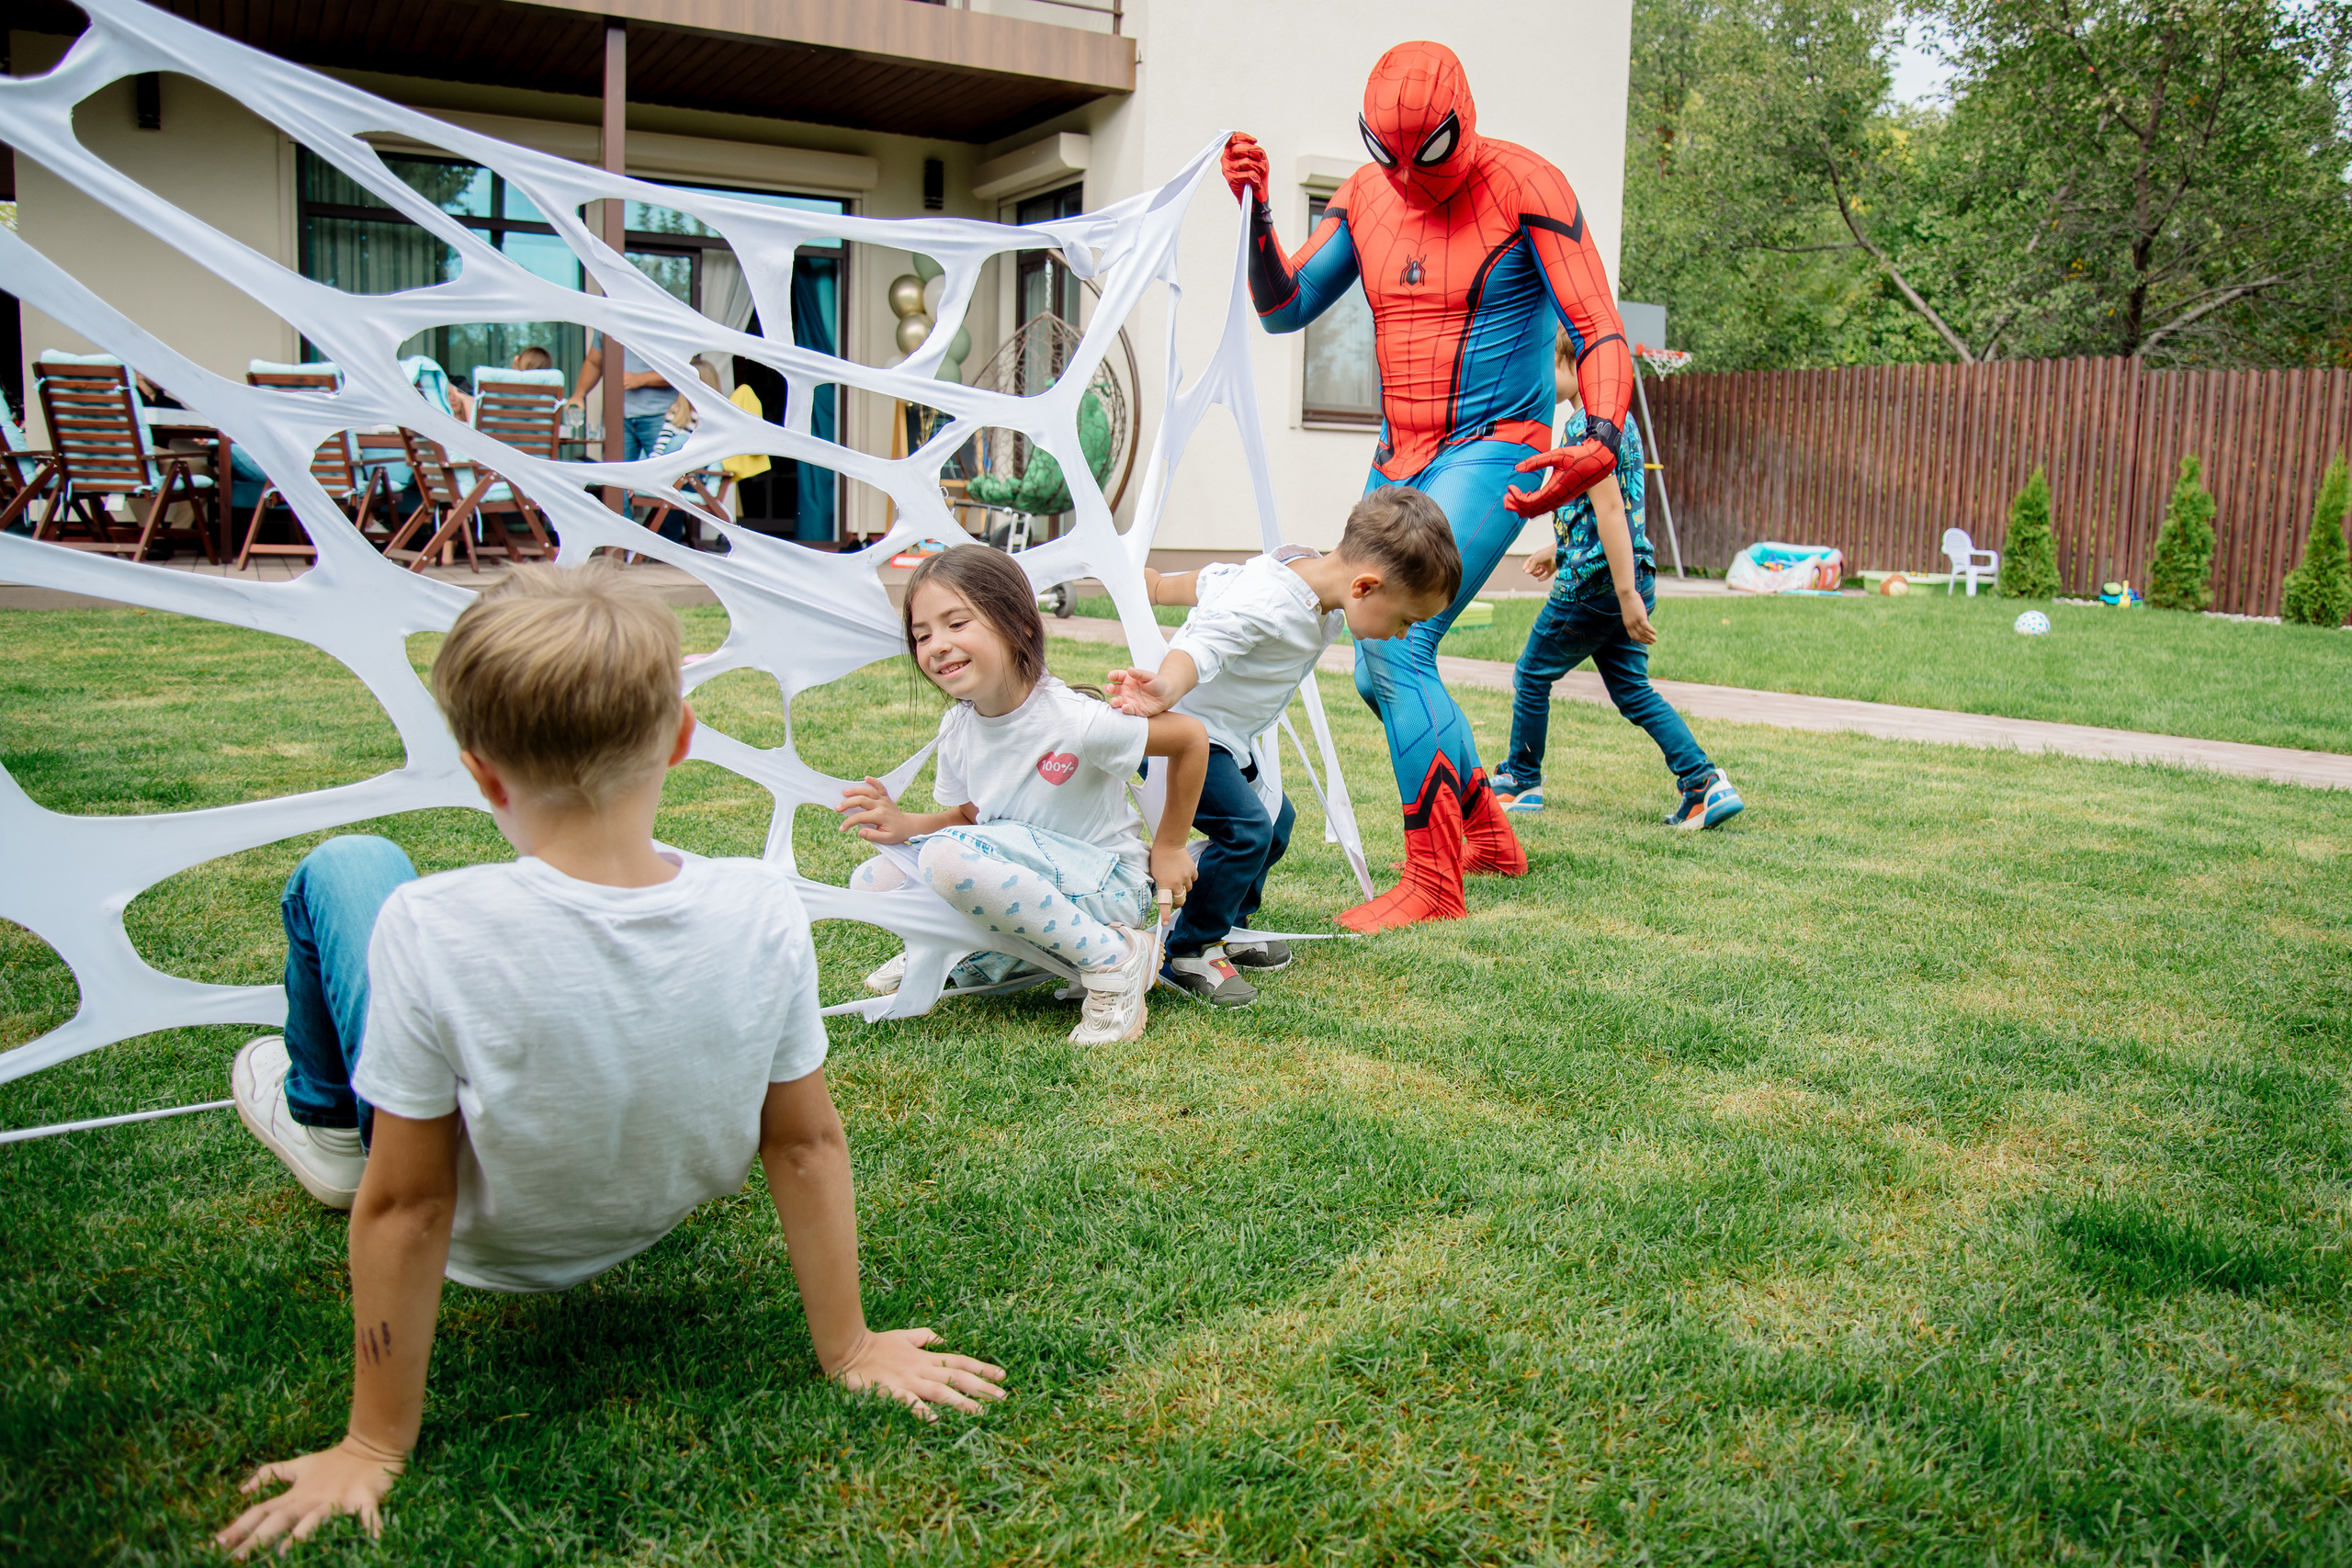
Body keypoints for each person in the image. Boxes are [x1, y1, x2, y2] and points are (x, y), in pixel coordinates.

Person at [215, 564, 1003, 1557]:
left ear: (480, 773)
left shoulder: (430, 923)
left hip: (483, 1237)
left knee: (349, 867)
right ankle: (331, 1118)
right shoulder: (760, 903)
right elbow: (804, 1143)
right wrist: (848, 1346)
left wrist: (374, 1444)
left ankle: (327, 1120)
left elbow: (411, 1206)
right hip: (648, 1212)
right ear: (678, 739)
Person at [1220, 41, 1636, 931]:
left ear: (1464, 123)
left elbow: (1598, 327)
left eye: (1429, 151)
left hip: (1497, 445)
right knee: (1377, 671)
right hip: (1399, 453)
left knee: (1395, 646)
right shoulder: (1366, 196)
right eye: (1388, 152)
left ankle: (1435, 880)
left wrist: (1599, 434)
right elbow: (1283, 304)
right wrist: (1255, 213)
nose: (1409, 175)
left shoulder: (1528, 187)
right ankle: (1486, 831)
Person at [1102, 488, 1460, 1005]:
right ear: (1365, 587)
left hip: (1229, 737)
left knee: (1278, 822)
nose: (1404, 635)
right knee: (1248, 830)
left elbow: (1215, 580)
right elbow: (1205, 640)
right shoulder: (1272, 603)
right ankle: (1190, 951)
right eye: (1406, 620)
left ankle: (1225, 925)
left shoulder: (1309, 576)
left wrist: (1160, 586)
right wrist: (1165, 687)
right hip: (1189, 736)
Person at [841, 547, 1210, 1045]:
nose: (937, 646)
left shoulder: (1075, 719)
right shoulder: (959, 726)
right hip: (1025, 875)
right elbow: (973, 816)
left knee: (948, 859)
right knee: (874, 879)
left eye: (956, 623)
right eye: (922, 635)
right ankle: (969, 950)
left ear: (1021, 625)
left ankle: (1114, 958)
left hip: (1107, 887)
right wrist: (905, 826)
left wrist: (1168, 846)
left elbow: (1190, 739)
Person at [1491, 341, 1742, 829]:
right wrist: (1560, 550)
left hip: (1596, 587)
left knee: (1531, 674)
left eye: (1541, 366)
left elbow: (1610, 513)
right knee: (1632, 690)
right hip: (1621, 576)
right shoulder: (1617, 419)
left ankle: (1521, 780)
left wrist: (1625, 596)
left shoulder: (1585, 427)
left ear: (1568, 363)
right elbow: (1602, 508)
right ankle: (1703, 784)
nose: (1536, 379)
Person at [568, 332, 676, 463]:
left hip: (661, 415)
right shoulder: (606, 319)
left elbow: (682, 369)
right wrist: (579, 394)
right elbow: (594, 362)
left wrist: (642, 379)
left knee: (665, 472)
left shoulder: (662, 320)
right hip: (617, 417)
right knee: (617, 476)